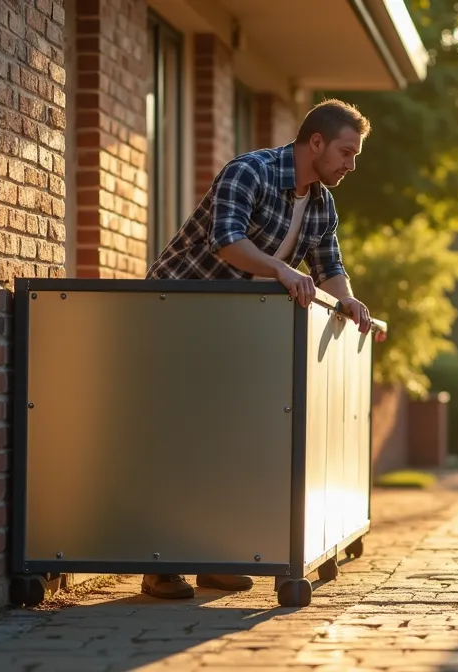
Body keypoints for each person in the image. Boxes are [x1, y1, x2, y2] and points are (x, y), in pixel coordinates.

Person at [140, 98, 376, 600]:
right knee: (181, 438)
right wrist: (281, 269)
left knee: (236, 437)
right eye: (345, 152)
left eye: (354, 156)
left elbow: (329, 268)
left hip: (236, 328)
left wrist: (351, 303)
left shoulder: (321, 204)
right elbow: (227, 243)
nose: (351, 165)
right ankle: (160, 566)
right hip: (177, 312)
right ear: (316, 142)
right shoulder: (249, 172)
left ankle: (215, 557)